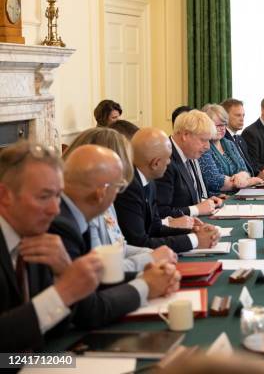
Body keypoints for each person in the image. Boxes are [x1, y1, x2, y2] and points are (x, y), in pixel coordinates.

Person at [49, 145, 181, 330]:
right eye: (119, 187)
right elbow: (87, 308)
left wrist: (149, 276)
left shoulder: (75, 216)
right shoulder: (62, 225)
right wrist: (146, 285)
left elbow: (92, 282)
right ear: (101, 193)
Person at [0, 142, 102, 351]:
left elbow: (54, 331)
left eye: (58, 196)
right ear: (4, 196)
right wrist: (63, 291)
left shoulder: (40, 236)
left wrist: (63, 275)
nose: (55, 210)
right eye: (44, 197)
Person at [63, 128, 175, 272]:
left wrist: (150, 254)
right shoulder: (84, 208)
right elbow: (102, 270)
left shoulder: (105, 200)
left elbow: (119, 247)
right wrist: (150, 258)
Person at [115, 128, 220, 254]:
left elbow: (155, 228)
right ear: (155, 163)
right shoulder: (128, 188)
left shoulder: (148, 179)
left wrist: (194, 231)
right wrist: (194, 240)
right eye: (168, 158)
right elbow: (139, 244)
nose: (170, 162)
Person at [155, 110, 223, 218]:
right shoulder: (165, 160)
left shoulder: (189, 154)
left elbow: (184, 199)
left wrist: (205, 202)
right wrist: (196, 209)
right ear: (185, 135)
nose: (208, 147)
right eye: (203, 140)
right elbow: (161, 212)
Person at [199, 105, 262, 194]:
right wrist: (248, 182)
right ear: (206, 126)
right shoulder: (203, 147)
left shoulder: (229, 143)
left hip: (241, 193)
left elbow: (245, 170)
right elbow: (215, 181)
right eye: (217, 125)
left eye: (224, 124)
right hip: (218, 199)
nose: (222, 128)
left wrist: (241, 176)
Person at [221, 98, 264, 179]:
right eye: (238, 115)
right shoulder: (222, 140)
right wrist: (257, 177)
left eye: (243, 115)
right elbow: (233, 172)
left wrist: (263, 173)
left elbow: (250, 166)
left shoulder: (240, 139)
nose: (242, 119)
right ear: (225, 116)